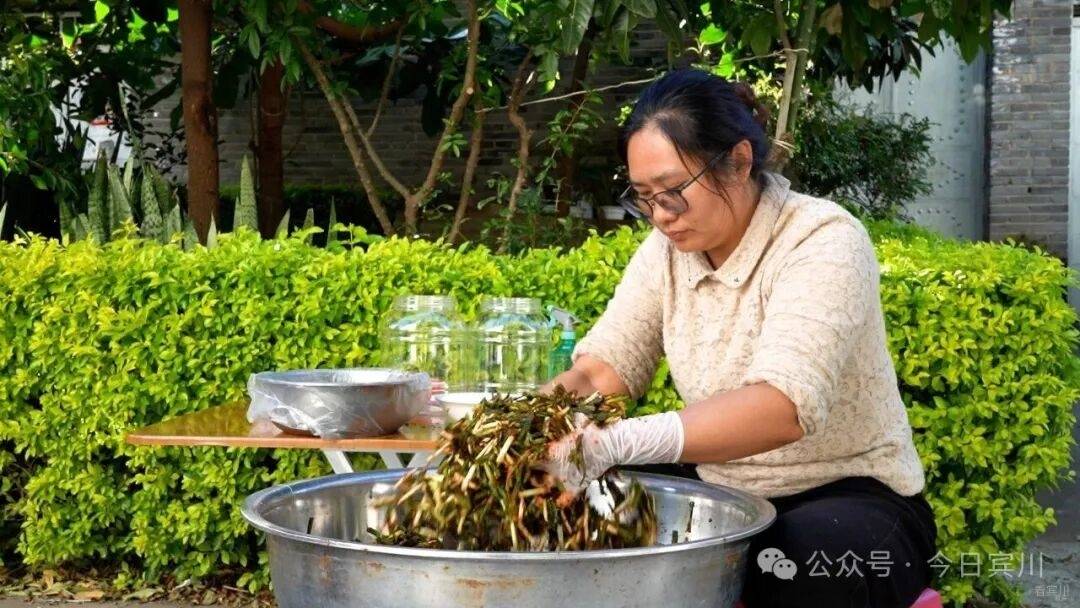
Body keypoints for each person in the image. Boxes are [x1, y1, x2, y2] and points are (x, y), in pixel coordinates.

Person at [541, 69, 937, 608]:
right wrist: (531, 424)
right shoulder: (664, 254)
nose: (661, 216)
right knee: (557, 507)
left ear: (739, 161)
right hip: (722, 491)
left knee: (794, 565)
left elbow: (783, 406)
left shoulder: (821, 238)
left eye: (674, 192)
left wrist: (616, 442)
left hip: (849, 494)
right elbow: (603, 369)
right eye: (644, 197)